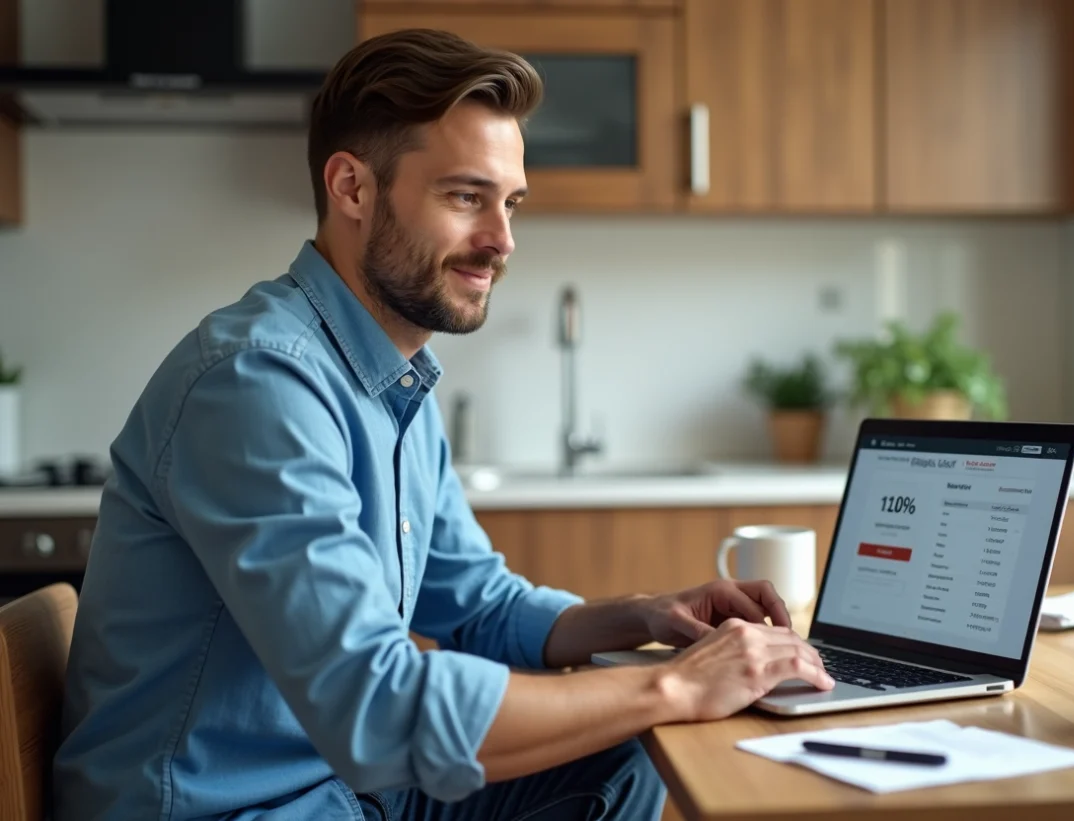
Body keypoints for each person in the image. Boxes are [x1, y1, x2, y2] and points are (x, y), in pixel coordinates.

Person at [52, 28, 834, 821]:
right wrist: (674, 683)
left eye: (510, 202)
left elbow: (476, 606)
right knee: (646, 722)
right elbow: (375, 708)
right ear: (352, 188)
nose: (502, 240)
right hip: (232, 808)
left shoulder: (393, 380)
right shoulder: (258, 383)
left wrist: (646, 615)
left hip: (343, 789)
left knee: (621, 757)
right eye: (466, 197)